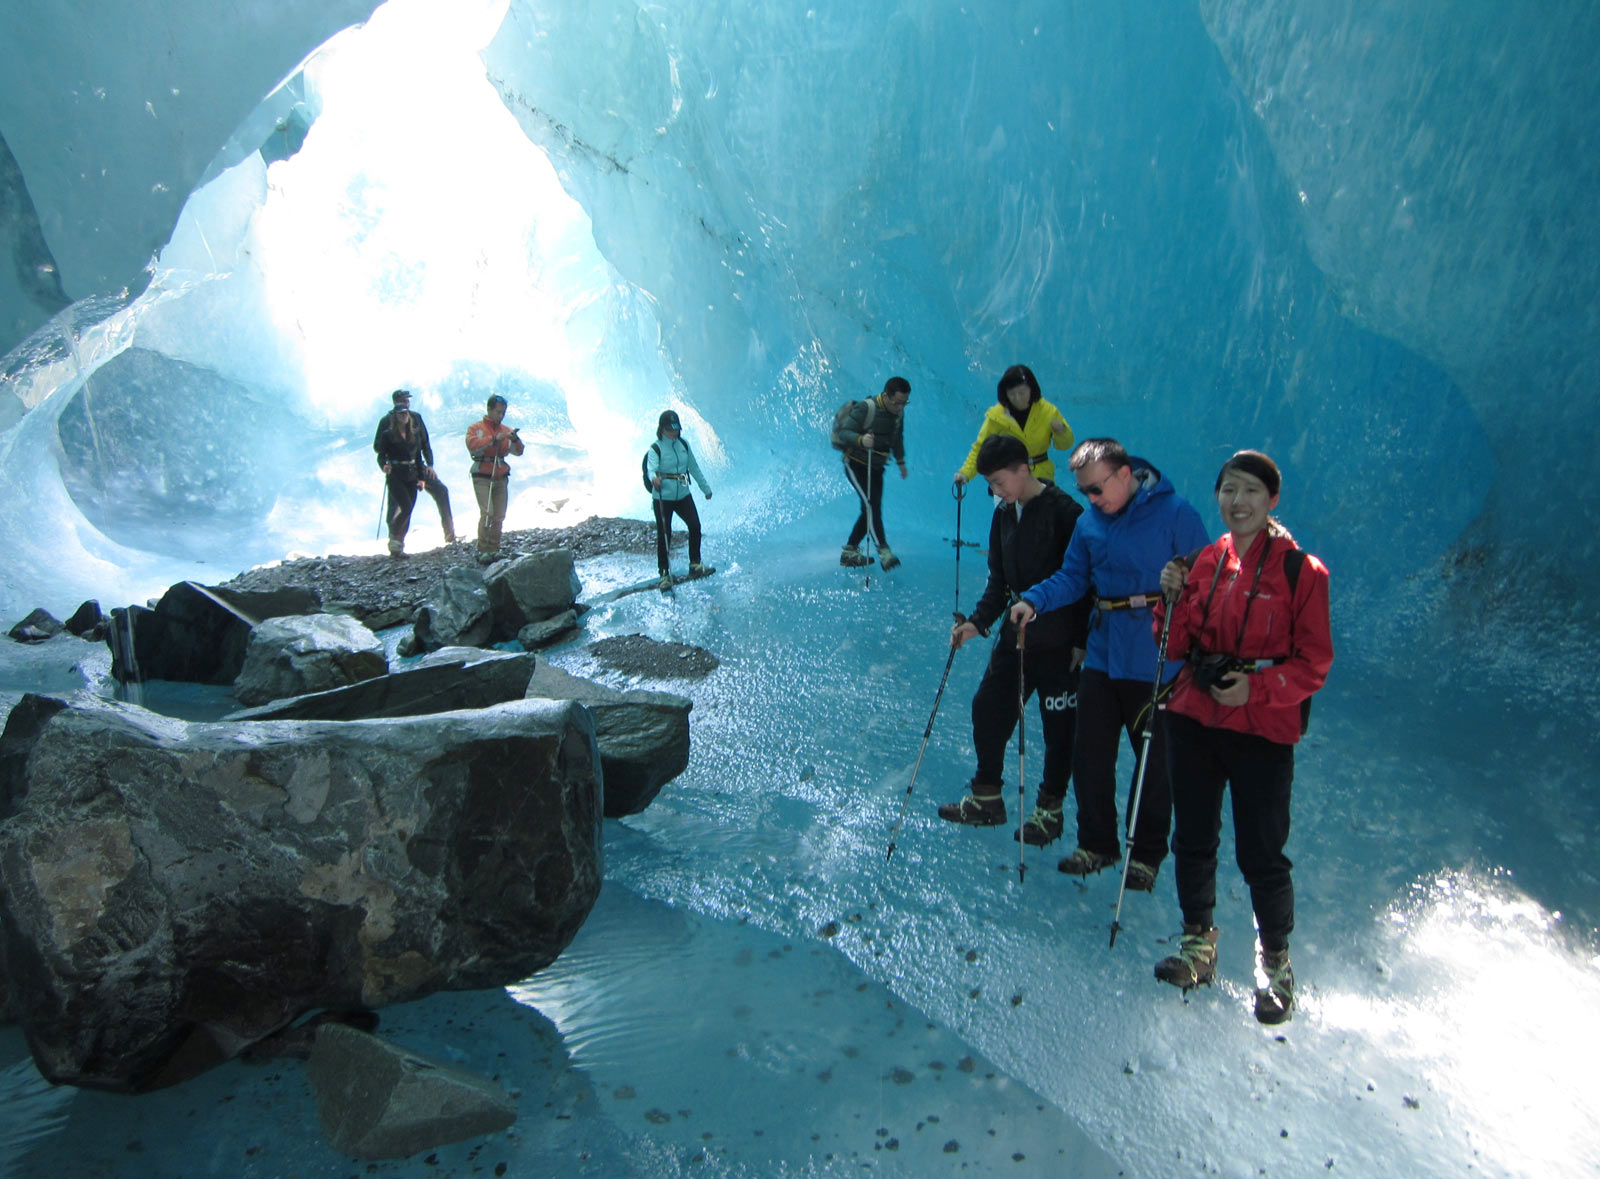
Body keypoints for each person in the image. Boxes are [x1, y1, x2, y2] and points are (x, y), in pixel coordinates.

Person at [1149, 450, 1332, 1025]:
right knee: (1193, 837)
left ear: (1272, 500)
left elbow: (1314, 663)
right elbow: (1172, 645)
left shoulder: (1304, 572)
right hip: (1195, 719)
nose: (1238, 502)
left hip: (1261, 728)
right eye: (1229, 490)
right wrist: (1169, 597)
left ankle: (1274, 961)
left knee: (1261, 852)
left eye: (1251, 491)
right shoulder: (1204, 561)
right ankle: (1197, 943)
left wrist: (1255, 689)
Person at [1009, 438, 1210, 889]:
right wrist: (1034, 600)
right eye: (1084, 492)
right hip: (1104, 651)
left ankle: (1146, 854)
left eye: (1096, 490)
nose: (1091, 500)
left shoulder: (1177, 513)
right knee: (1090, 753)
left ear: (1125, 474)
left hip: (1157, 653)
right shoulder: (1090, 525)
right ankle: (1097, 843)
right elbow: (1074, 577)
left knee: (1153, 762)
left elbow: (1209, 578)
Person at [938, 436, 1091, 844]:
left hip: (1060, 641)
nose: (996, 491)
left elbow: (1083, 581)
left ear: (1025, 470)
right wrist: (976, 624)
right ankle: (987, 799)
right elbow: (1000, 582)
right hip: (1016, 634)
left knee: (1059, 727)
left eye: (1000, 481)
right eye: (990, 483)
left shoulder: (1067, 514)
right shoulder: (1003, 515)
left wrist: (1080, 640)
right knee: (988, 708)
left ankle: (1049, 813)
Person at [832, 376, 910, 570]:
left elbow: (897, 437)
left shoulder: (899, 414)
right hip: (856, 463)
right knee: (871, 505)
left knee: (871, 508)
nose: (900, 407)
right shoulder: (867, 408)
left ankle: (849, 551)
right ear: (885, 396)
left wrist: (900, 461)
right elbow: (844, 433)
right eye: (897, 402)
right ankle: (884, 552)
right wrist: (860, 440)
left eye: (904, 403)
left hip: (876, 466)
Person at [953, 364, 1074, 488]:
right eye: (1012, 393)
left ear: (1031, 389)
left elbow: (1066, 445)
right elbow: (980, 448)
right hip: (1007, 477)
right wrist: (965, 473)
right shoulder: (996, 417)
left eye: (1022, 393)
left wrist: (1061, 432)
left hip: (1041, 477)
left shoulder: (1048, 411)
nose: (1017, 398)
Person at [373, 389, 455, 556]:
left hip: (417, 466)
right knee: (397, 506)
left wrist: (430, 465)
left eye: (407, 400)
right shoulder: (386, 421)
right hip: (396, 469)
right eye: (404, 400)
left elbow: (424, 443)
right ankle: (396, 543)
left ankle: (450, 534)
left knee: (441, 491)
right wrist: (385, 463)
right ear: (396, 402)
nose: (407, 403)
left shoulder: (415, 417)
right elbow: (378, 448)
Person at [647, 409, 715, 591]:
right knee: (664, 533)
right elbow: (651, 468)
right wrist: (655, 478)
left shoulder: (683, 444)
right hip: (664, 497)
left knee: (695, 525)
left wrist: (705, 488)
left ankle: (695, 564)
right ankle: (664, 573)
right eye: (670, 428)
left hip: (683, 494)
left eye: (676, 427)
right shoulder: (656, 448)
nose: (674, 431)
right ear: (662, 429)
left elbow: (693, 467)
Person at [464, 394, 524, 564]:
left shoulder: (505, 430)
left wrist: (515, 439)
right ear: (489, 410)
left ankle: (494, 548)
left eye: (503, 412)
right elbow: (472, 445)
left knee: (499, 514)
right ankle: (483, 549)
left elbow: (519, 451)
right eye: (498, 412)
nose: (501, 415)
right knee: (487, 512)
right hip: (482, 475)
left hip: (500, 475)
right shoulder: (476, 428)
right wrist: (492, 439)